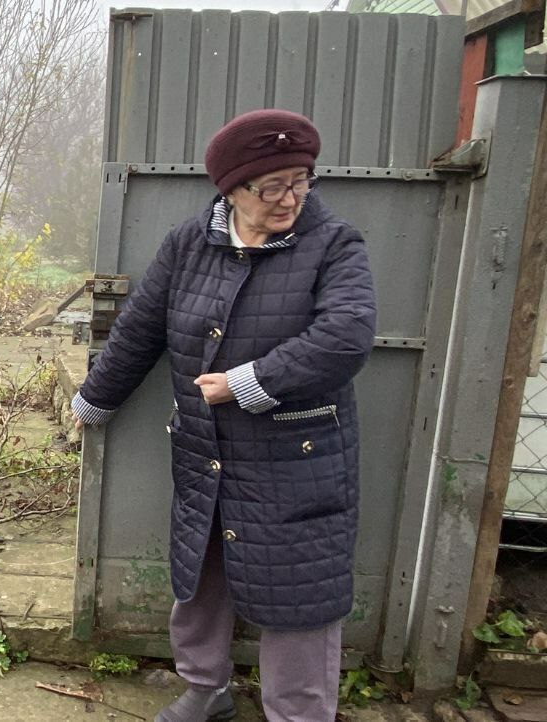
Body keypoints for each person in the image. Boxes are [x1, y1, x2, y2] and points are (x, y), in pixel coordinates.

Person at [72, 109, 376, 722]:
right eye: (273, 186)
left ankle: (298, 715)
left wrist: (248, 383)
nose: (290, 197)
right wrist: (94, 402)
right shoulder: (190, 244)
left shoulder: (334, 243)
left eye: (302, 180)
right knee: (202, 576)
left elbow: (346, 336)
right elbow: (138, 332)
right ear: (232, 190)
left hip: (298, 460)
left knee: (298, 597)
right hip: (204, 448)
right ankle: (206, 689)